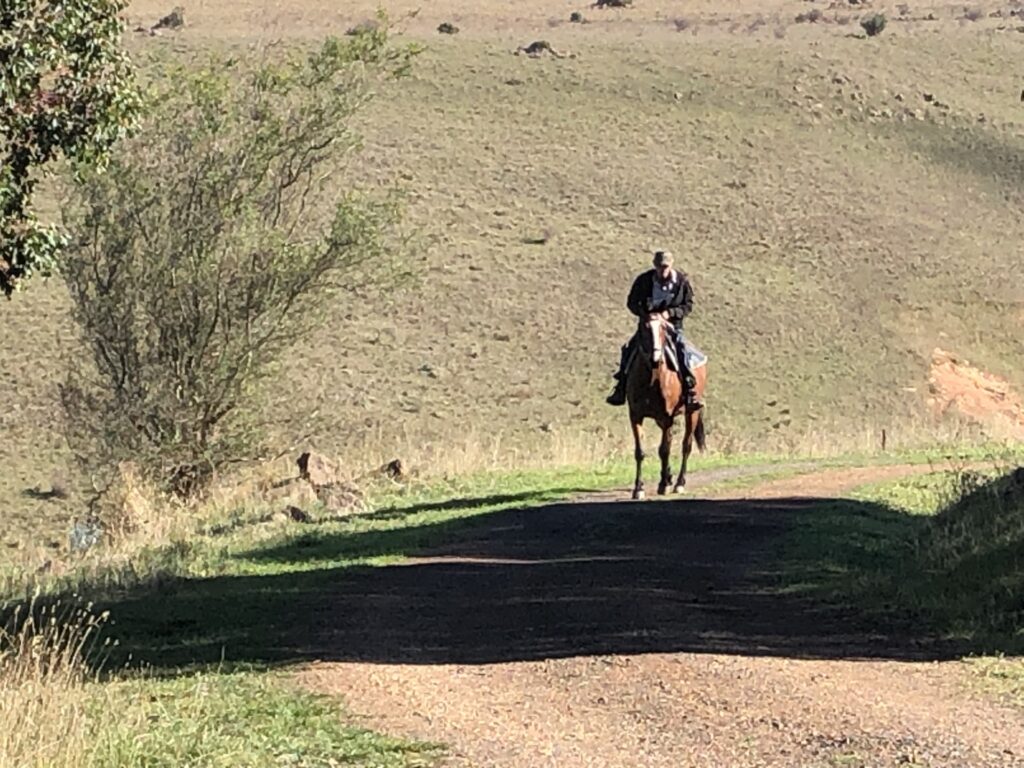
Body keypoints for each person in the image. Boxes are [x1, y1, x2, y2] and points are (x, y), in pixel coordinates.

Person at [605, 249, 700, 407]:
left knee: (682, 349)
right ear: (655, 266)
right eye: (659, 266)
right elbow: (632, 302)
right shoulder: (644, 280)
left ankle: (689, 389)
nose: (662, 270)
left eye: (665, 267)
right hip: (648, 326)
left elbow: (688, 305)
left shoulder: (681, 282)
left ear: (671, 266)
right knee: (629, 348)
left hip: (671, 327)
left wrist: (669, 313)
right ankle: (620, 386)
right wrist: (645, 314)